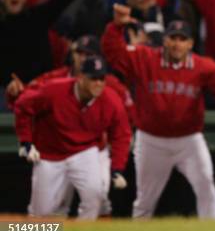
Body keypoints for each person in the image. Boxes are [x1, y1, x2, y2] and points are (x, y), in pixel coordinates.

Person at [101, 5, 215, 219]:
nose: (177, 44)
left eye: (182, 39)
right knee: (145, 200)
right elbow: (114, 52)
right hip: (151, 141)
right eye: (173, 38)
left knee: (206, 186)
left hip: (189, 141)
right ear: (165, 40)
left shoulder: (203, 66)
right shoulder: (145, 58)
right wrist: (116, 27)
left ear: (190, 44)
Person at [5, 35, 134, 217]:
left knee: (96, 196)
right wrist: (26, 142)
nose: (98, 84)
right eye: (93, 79)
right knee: (41, 215)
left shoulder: (111, 97)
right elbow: (23, 104)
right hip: (50, 154)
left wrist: (118, 168)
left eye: (101, 79)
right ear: (80, 78)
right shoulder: (54, 88)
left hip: (86, 151)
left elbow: (122, 133)